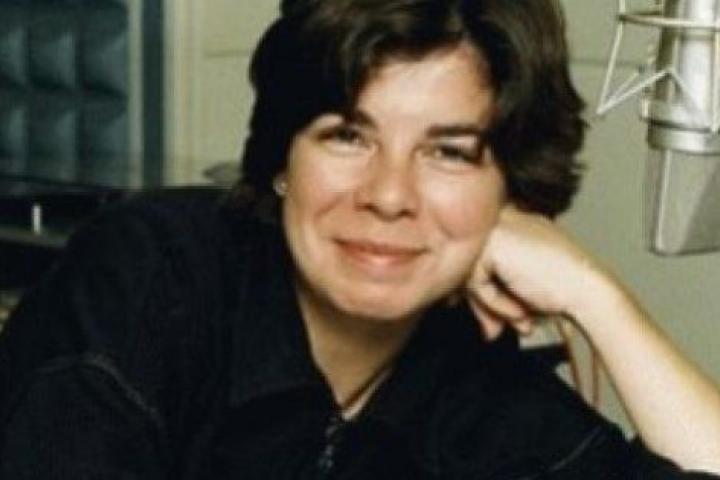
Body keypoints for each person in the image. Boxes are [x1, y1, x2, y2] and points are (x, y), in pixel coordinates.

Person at [1, 0, 719, 477]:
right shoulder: (149, 278)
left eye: (449, 152)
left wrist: (596, 296)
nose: (388, 194)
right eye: (348, 135)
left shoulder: (478, 390)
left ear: (509, 195)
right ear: (281, 159)